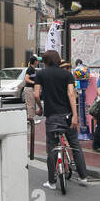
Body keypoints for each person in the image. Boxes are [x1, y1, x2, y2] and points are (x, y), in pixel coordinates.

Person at [32, 50, 87, 190]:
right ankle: (83, 177)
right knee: (75, 145)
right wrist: (75, 115)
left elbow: (36, 95)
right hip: (67, 115)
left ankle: (51, 182)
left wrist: (40, 108)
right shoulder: (67, 74)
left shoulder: (41, 74)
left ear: (45, 61)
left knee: (51, 149)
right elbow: (71, 94)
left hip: (52, 116)